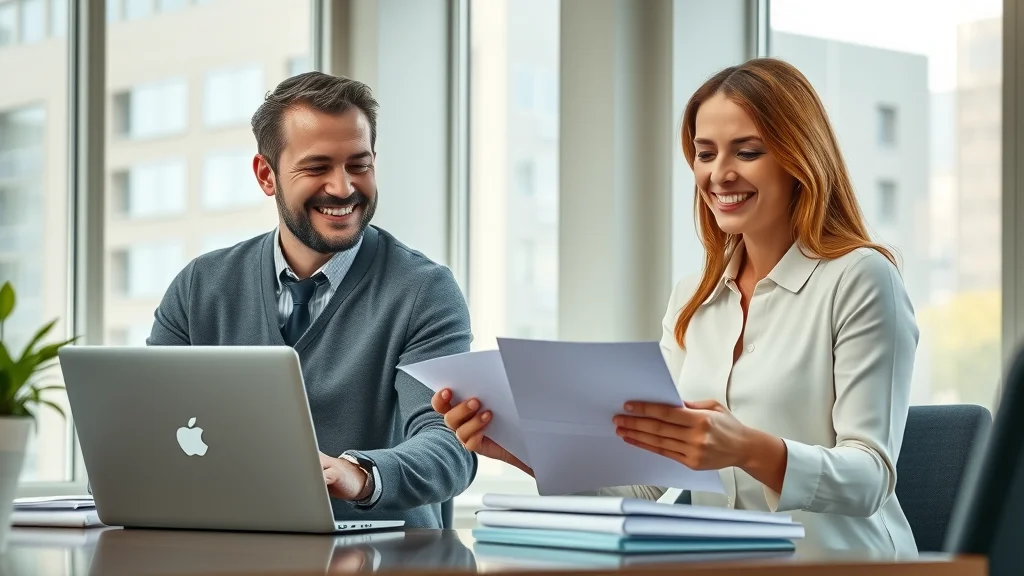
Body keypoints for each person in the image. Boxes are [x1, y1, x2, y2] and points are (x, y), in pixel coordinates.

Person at [432, 58, 919, 554]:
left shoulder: (860, 277)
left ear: (800, 158)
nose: (719, 175)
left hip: (846, 565)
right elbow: (643, 484)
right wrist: (528, 451)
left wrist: (747, 448)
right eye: (705, 154)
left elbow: (870, 476)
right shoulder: (693, 297)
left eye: (747, 152)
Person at [147, 71, 476, 528]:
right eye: (317, 167)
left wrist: (359, 474)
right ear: (267, 175)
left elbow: (449, 443)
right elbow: (145, 426)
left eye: (358, 165)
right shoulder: (201, 286)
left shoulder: (424, 291)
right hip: (232, 550)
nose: (342, 188)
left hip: (391, 558)